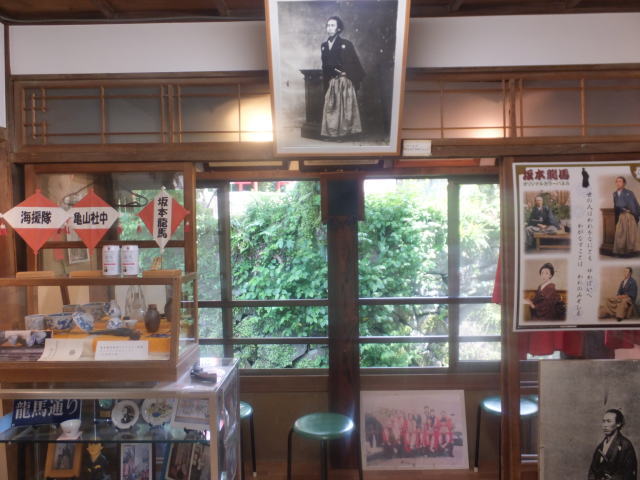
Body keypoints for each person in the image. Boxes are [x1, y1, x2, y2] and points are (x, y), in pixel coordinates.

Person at [320, 16, 365, 139]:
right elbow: (325, 66)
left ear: (339, 29)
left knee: (344, 108)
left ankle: (344, 134)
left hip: (344, 81)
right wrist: (327, 82)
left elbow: (354, 63)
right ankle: (332, 133)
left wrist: (347, 74)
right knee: (332, 108)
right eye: (328, 25)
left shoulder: (346, 44)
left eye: (332, 25)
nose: (329, 28)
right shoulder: (324, 45)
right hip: (332, 81)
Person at [588, 409, 637, 480]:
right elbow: (592, 470)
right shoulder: (600, 446)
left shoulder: (625, 445)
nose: (605, 425)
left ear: (618, 424)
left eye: (609, 421)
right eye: (603, 421)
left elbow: (629, 472)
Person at [613, 176, 640, 256]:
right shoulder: (615, 194)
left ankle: (631, 251)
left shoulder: (629, 192)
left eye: (620, 181)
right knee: (620, 233)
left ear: (624, 183)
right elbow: (616, 205)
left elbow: (634, 204)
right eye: (617, 181)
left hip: (629, 215)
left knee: (630, 234)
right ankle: (621, 251)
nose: (618, 183)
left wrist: (634, 214)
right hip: (621, 215)